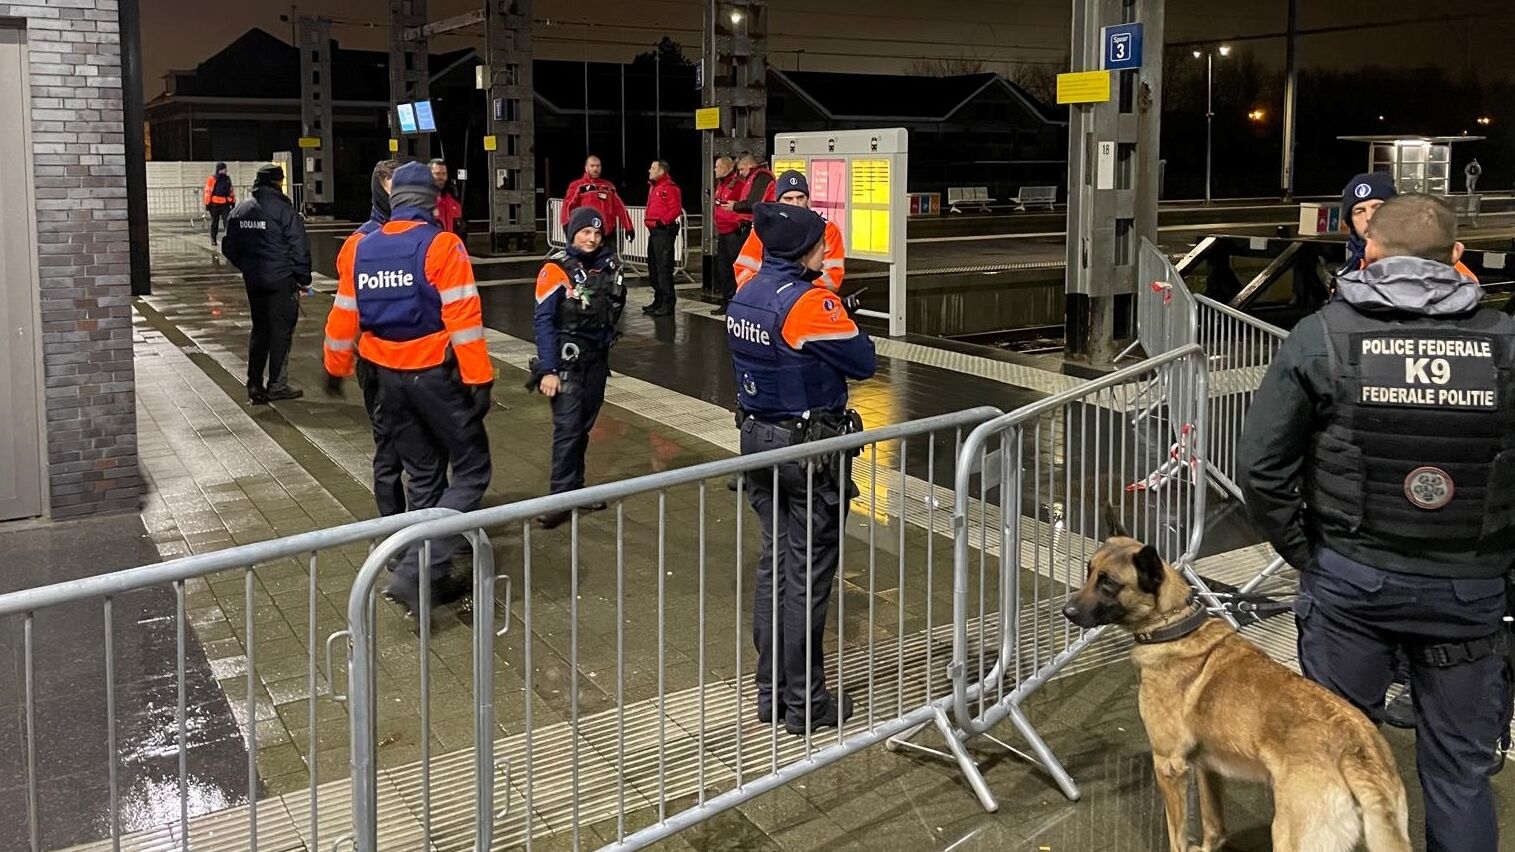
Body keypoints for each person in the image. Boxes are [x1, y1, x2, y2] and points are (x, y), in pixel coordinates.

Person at [1237, 193, 1514, 852]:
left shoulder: (1321, 337)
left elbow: (1261, 470)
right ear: (1457, 256)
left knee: (1334, 760)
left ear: (1369, 252)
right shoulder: (1506, 344)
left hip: (1350, 585)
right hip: (1469, 593)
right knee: (1459, 774)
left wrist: (1309, 553)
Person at [728, 202, 876, 733]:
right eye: (818, 243)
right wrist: (841, 315)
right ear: (802, 251)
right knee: (807, 576)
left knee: (774, 566)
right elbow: (863, 361)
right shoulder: (811, 303)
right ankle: (805, 703)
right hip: (807, 455)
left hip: (757, 443)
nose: (823, 250)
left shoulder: (745, 296)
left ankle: (770, 693)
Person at [322, 161, 494, 613]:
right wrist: (479, 378)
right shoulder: (442, 245)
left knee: (422, 474)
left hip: (387, 381)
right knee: (472, 468)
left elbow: (343, 316)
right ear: (430, 201)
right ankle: (417, 568)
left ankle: (424, 575)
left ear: (394, 199)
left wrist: (335, 366)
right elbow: (464, 319)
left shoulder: (359, 248)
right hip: (433, 376)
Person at [529, 206, 627, 529]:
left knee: (583, 427)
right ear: (573, 233)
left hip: (596, 361)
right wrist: (548, 369)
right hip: (565, 364)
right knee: (567, 429)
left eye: (597, 233)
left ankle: (575, 488)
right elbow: (543, 321)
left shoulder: (608, 266)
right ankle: (558, 499)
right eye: (585, 232)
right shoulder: (555, 269)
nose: (592, 238)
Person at [221, 163, 311, 404]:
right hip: (281, 281)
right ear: (278, 182)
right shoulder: (284, 210)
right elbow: (299, 247)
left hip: (255, 281)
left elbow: (228, 246)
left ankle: (254, 384)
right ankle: (277, 385)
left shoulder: (240, 210)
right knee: (281, 332)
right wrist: (303, 277)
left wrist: (248, 267)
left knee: (260, 330)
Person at [734, 170, 846, 293]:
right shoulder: (763, 230)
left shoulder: (827, 229)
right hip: (769, 298)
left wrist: (790, 292)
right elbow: (743, 269)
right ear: (778, 200)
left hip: (808, 299)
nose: (795, 204)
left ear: (807, 198)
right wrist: (766, 292)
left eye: (800, 197)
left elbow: (832, 278)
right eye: (788, 198)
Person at [561, 155, 633, 247]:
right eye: (592, 166)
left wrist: (629, 228)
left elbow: (620, 207)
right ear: (586, 168)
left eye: (598, 166)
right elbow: (567, 206)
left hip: (608, 236)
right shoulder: (578, 185)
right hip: (586, 236)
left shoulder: (608, 186)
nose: (595, 169)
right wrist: (567, 226)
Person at [642, 160, 683, 317]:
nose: (649, 170)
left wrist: (662, 221)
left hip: (663, 232)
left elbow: (676, 209)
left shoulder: (669, 188)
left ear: (661, 171)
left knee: (663, 268)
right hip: (654, 232)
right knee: (654, 267)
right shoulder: (655, 187)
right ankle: (658, 300)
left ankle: (667, 302)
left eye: (653, 168)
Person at [710, 155, 744, 314]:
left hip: (734, 233)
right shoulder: (722, 184)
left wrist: (736, 222)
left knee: (735, 269)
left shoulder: (737, 184)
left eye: (717, 166)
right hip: (723, 232)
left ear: (726, 167)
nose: (715, 169)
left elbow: (742, 206)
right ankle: (727, 301)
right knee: (723, 269)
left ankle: (738, 302)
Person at [203, 162, 236, 247]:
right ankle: (215, 238)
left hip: (222, 203)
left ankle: (226, 239)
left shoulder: (225, 179)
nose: (226, 170)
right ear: (220, 169)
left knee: (224, 222)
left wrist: (233, 201)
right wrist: (207, 203)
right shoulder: (214, 179)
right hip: (217, 204)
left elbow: (231, 191)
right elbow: (208, 192)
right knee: (217, 222)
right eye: (224, 169)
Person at [430, 158, 464, 237]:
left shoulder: (453, 200)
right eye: (437, 174)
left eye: (444, 174)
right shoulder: (423, 201)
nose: (441, 177)